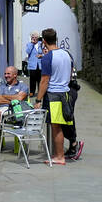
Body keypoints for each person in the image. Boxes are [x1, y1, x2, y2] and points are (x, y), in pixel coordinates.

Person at [33, 28, 77, 165]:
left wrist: (38, 99)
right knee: (61, 125)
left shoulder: (47, 57)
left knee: (56, 127)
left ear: (44, 41)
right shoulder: (67, 54)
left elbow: (44, 81)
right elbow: (70, 74)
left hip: (53, 95)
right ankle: (59, 153)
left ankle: (59, 156)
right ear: (56, 38)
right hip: (66, 94)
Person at [0, 65, 29, 151]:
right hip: (0, 109)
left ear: (15, 75)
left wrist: (4, 96)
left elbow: (20, 98)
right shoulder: (2, 86)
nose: (6, 76)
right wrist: (13, 98)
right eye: (5, 74)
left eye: (8, 74)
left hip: (14, 111)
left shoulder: (23, 86)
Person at [24, 32, 43, 99]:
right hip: (32, 64)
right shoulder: (29, 44)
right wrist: (32, 44)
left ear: (38, 38)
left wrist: (41, 55)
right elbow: (28, 52)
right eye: (32, 37)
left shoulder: (41, 44)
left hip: (40, 64)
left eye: (35, 37)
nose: (34, 39)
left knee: (40, 79)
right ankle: (32, 92)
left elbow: (45, 52)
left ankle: (40, 92)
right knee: (32, 79)